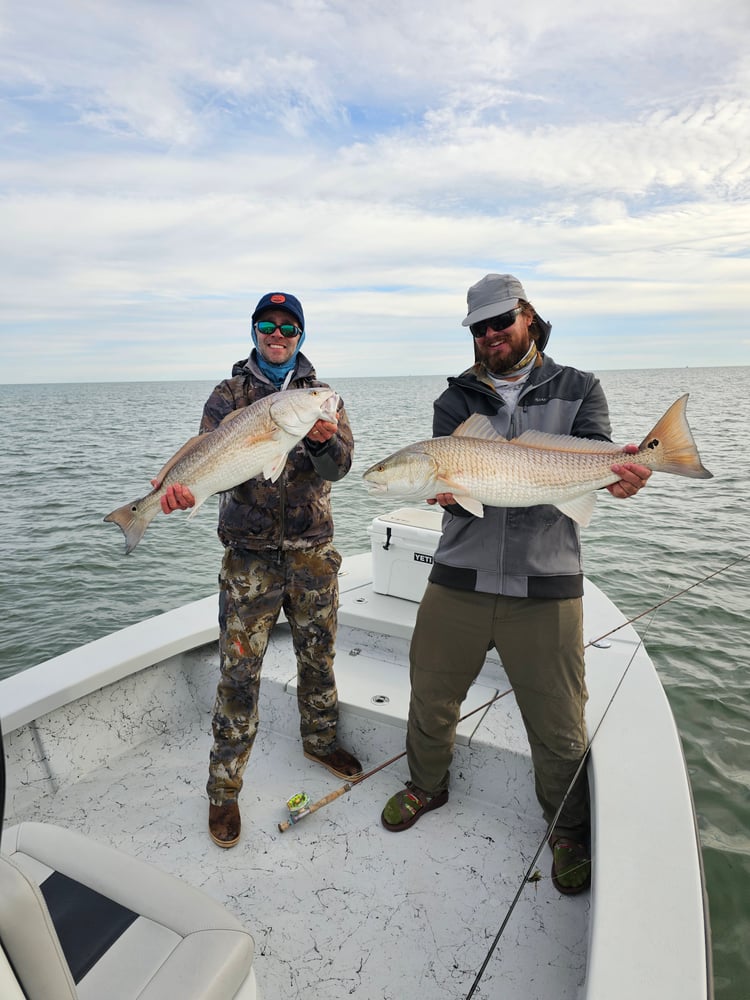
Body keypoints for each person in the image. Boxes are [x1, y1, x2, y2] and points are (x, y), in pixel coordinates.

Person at [380, 273, 652, 894]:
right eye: (479, 327)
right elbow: (456, 492)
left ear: (528, 317)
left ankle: (566, 828)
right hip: (459, 578)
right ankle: (426, 785)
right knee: (429, 694)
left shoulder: (578, 387)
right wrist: (445, 497)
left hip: (547, 581)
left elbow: (594, 462)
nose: (491, 335)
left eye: (501, 321)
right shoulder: (455, 400)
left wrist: (621, 475)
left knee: (558, 720)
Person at [158, 291, 361, 848]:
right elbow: (206, 456)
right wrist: (179, 491)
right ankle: (223, 791)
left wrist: (322, 440)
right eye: (267, 325)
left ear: (301, 336)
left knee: (317, 656)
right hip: (248, 558)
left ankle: (319, 742)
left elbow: (341, 467)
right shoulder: (229, 395)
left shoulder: (322, 397)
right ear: (254, 332)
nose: (278, 333)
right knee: (238, 674)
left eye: (288, 327)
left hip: (312, 554)